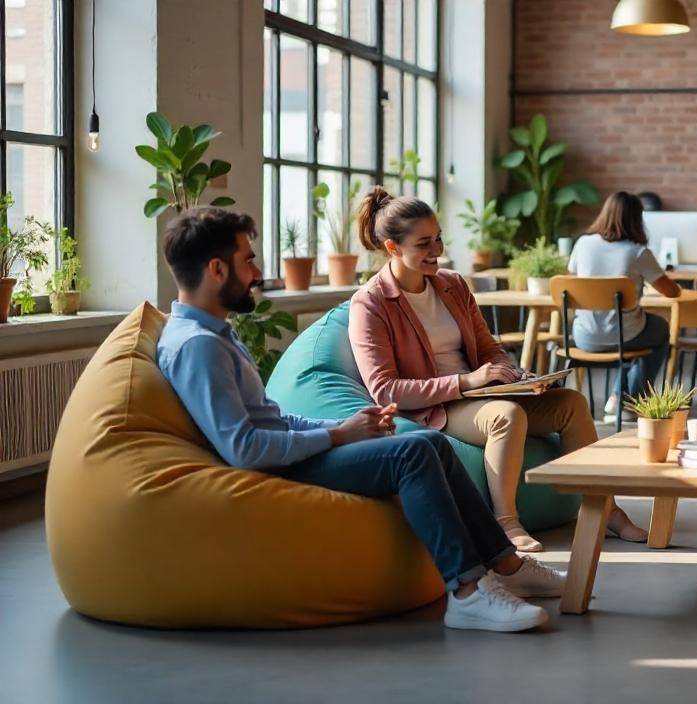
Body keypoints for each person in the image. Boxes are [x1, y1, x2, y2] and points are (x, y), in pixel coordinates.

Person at [156, 207, 564, 632]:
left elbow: (271, 418)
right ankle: (466, 593)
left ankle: (508, 565)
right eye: (248, 260)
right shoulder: (198, 347)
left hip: (289, 451)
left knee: (432, 445)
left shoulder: (217, 334)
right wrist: (336, 435)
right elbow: (244, 449)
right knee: (412, 453)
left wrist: (349, 427)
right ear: (218, 269)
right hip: (277, 467)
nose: (257, 271)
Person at [348, 187, 648, 548]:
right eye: (424, 244)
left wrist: (514, 375)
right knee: (506, 416)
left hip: (482, 390)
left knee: (570, 404)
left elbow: (487, 347)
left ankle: (608, 511)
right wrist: (466, 381)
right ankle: (505, 523)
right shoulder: (370, 302)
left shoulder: (452, 285)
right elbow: (386, 390)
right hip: (438, 405)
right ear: (392, 248)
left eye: (439, 239)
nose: (437, 251)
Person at [567, 191, 683, 420]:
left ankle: (620, 396)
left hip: (583, 337)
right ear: (636, 220)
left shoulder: (583, 244)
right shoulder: (638, 252)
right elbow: (672, 292)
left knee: (637, 330)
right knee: (660, 330)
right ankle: (630, 400)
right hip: (625, 336)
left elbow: (571, 280)